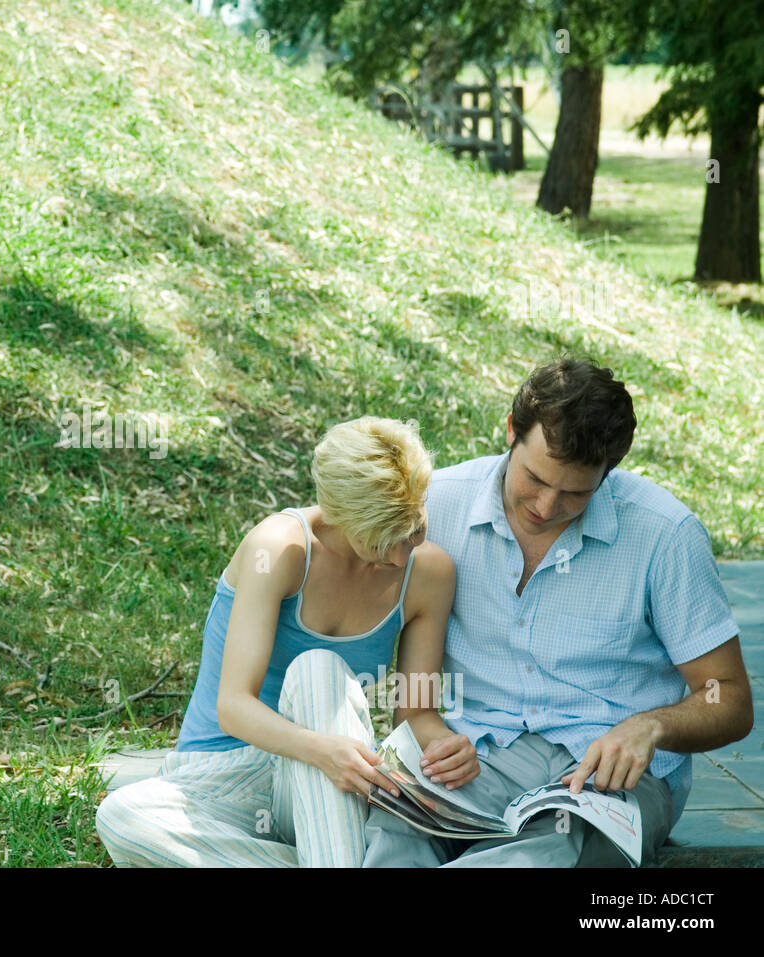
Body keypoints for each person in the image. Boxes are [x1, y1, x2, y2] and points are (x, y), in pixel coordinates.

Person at [362, 359, 754, 867]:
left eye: (575, 493)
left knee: (554, 849)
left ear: (609, 471)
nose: (546, 507)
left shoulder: (665, 535)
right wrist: (424, 725)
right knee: (394, 822)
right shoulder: (438, 506)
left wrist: (652, 726)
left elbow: (730, 698)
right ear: (510, 431)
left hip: (605, 778)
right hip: (473, 755)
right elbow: (409, 653)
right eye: (535, 479)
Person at [95, 416, 472, 866]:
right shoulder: (276, 549)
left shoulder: (430, 574)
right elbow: (233, 706)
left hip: (321, 789)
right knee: (123, 816)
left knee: (320, 672)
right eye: (379, 540)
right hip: (223, 777)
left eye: (412, 531)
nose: (398, 555)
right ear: (339, 515)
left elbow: (417, 713)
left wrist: (445, 746)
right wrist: (322, 751)